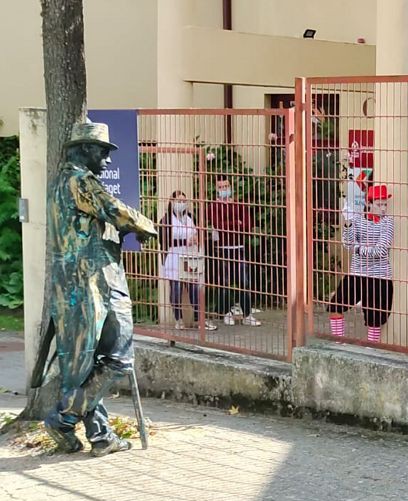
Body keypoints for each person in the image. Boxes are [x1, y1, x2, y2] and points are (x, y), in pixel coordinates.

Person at [36, 122, 157, 456]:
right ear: (84, 149)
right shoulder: (80, 181)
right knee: (119, 354)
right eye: (102, 151)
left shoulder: (60, 182)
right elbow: (113, 209)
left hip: (73, 285)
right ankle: (64, 417)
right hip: (92, 281)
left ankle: (101, 436)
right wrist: (147, 226)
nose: (106, 158)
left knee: (83, 365)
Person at [328, 184, 395, 343]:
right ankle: (339, 341)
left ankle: (371, 347)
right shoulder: (357, 220)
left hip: (380, 276)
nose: (383, 208)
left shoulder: (388, 222)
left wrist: (358, 248)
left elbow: (381, 250)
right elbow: (347, 243)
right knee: (335, 306)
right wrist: (348, 223)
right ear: (369, 204)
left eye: (385, 204)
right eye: (379, 204)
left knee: (375, 318)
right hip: (356, 273)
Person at [206, 177, 261, 327]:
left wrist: (232, 225)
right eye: (221, 187)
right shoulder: (213, 206)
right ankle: (226, 313)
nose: (224, 189)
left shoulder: (239, 204)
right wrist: (237, 223)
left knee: (244, 282)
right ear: (216, 189)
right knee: (224, 283)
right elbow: (218, 225)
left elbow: (248, 224)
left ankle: (247, 315)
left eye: (226, 186)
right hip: (222, 249)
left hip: (239, 248)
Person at [158, 192, 216, 332]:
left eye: (184, 201)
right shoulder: (166, 220)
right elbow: (164, 240)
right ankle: (178, 319)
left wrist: (196, 239)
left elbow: (196, 232)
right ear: (172, 202)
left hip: (190, 256)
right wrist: (185, 241)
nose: (182, 203)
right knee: (176, 289)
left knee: (194, 288)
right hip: (174, 256)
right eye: (179, 201)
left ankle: (199, 319)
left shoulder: (189, 217)